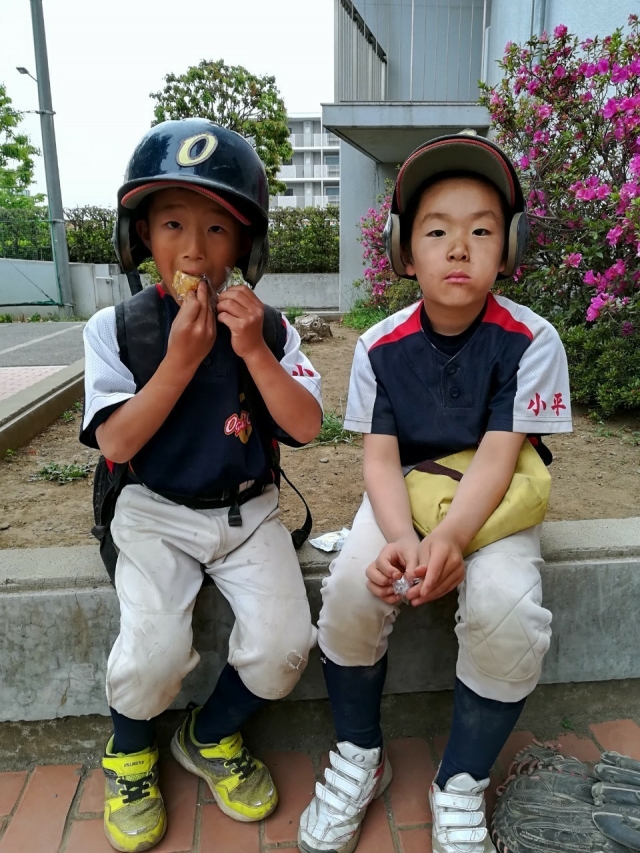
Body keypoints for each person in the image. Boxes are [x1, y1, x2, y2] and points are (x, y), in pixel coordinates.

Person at [298, 131, 572, 853]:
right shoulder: (378, 346)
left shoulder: (532, 340)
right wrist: (400, 538)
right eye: (436, 231)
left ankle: (461, 778)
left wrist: (449, 538)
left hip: (492, 497)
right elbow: (380, 459)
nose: (458, 248)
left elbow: (499, 455)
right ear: (403, 250)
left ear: (508, 247)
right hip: (404, 494)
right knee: (352, 589)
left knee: (508, 609)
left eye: (481, 230)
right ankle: (360, 753)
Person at [80, 118, 323, 852]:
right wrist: (180, 362)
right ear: (140, 237)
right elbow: (117, 442)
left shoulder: (268, 328)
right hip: (154, 510)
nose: (194, 250)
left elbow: (306, 425)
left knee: (286, 647)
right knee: (152, 652)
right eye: (172, 225)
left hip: (247, 513)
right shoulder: (117, 327)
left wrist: (253, 351)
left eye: (217, 229)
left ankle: (208, 733)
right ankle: (129, 749)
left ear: (245, 246)